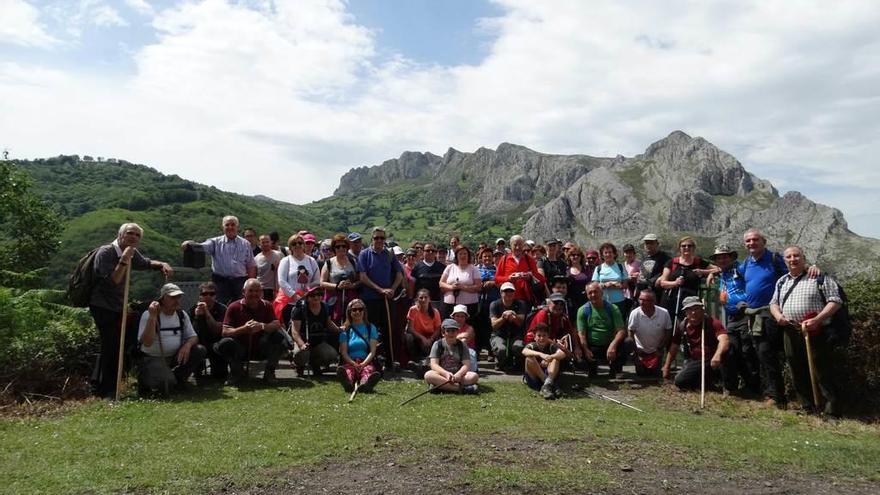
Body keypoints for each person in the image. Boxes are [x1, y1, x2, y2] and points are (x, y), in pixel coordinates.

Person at [88, 223, 173, 399]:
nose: (133, 237)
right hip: (103, 306)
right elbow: (113, 281)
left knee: (121, 344)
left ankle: (109, 383)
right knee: (111, 346)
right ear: (120, 235)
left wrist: (161, 264)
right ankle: (107, 390)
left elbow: (145, 263)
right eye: (129, 233)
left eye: (137, 235)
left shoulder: (132, 252)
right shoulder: (106, 253)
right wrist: (125, 259)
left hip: (118, 306)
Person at [769, 246, 842, 414]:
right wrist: (778, 316)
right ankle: (807, 406)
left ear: (803, 258)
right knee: (796, 367)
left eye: (796, 256)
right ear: (785, 260)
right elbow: (773, 303)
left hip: (815, 330)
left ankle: (831, 409)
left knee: (821, 368)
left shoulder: (819, 277)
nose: (793, 259)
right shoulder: (782, 281)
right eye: (789, 257)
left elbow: (835, 301)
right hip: (791, 329)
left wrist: (818, 319)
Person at [739, 228, 793, 407]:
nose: (751, 243)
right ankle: (773, 392)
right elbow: (735, 275)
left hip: (771, 314)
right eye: (748, 241)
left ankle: (777, 396)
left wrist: (812, 268)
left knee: (767, 353)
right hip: (754, 316)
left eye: (755, 240)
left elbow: (795, 269)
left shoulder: (775, 259)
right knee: (761, 354)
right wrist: (711, 273)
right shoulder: (747, 263)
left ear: (764, 242)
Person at [136, 283, 206, 395]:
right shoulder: (148, 315)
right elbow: (147, 343)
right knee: (167, 382)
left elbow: (193, 337)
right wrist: (153, 318)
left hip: (175, 357)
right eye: (173, 297)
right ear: (162, 299)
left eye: (179, 297)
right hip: (153, 358)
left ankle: (178, 379)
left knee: (199, 350)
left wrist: (187, 345)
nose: (177, 300)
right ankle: (152, 378)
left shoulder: (181, 314)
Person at [216, 279, 285, 385]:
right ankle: (237, 373)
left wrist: (262, 326)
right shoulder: (233, 307)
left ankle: (269, 373)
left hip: (261, 347)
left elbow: (276, 324)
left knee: (278, 337)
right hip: (240, 348)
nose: (254, 294)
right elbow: (224, 332)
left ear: (261, 292)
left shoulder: (267, 305)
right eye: (251, 291)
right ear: (244, 292)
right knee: (225, 343)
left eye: (257, 291)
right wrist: (243, 329)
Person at [711, 244, 759, 395]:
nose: (722, 259)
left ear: (732, 257)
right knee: (730, 349)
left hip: (745, 314)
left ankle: (753, 386)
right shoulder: (723, 273)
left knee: (747, 351)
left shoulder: (741, 269)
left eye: (725, 256)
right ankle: (730, 386)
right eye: (719, 257)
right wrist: (711, 273)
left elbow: (754, 280)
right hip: (731, 317)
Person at [182, 215, 256, 304]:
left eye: (233, 225)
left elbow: (250, 265)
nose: (230, 227)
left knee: (241, 307)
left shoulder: (245, 244)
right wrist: (189, 244)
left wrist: (251, 285)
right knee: (221, 307)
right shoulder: (215, 242)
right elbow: (201, 247)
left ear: (237, 227)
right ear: (223, 227)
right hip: (221, 282)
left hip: (240, 282)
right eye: (227, 225)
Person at [662, 296, 730, 391]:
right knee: (679, 381)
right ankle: (707, 381)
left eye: (696, 309)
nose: (694, 312)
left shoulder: (712, 322)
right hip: (696, 361)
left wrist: (717, 355)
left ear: (702, 310)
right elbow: (674, 346)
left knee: (728, 352)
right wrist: (667, 366)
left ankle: (727, 385)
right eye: (690, 310)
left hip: (713, 359)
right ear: (685, 312)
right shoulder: (683, 326)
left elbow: (724, 340)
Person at [358, 227, 405, 363]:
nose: (379, 240)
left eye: (382, 238)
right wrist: (380, 289)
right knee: (370, 329)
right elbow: (362, 277)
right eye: (376, 238)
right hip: (370, 299)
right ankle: (368, 361)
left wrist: (392, 289)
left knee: (389, 330)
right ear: (371, 239)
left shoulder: (389, 254)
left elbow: (399, 274)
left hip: (387, 299)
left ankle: (390, 360)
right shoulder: (364, 254)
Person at [576, 282, 627, 378]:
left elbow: (621, 331)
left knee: (627, 342)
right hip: (592, 346)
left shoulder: (612, 308)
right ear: (587, 295)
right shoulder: (583, 310)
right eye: (590, 293)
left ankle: (615, 368)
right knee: (578, 341)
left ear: (602, 292)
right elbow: (581, 333)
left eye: (596, 292)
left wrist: (613, 345)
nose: (593, 295)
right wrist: (585, 349)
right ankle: (591, 367)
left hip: (610, 346)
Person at [658, 236, 718, 317]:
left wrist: (705, 272)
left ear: (694, 248)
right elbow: (663, 283)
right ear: (679, 248)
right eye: (683, 246)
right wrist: (675, 283)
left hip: (691, 303)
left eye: (690, 246)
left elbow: (719, 268)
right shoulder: (672, 262)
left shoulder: (698, 262)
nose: (687, 248)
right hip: (670, 301)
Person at [290, 286, 341, 376]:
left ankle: (315, 365)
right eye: (312, 295)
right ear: (307, 296)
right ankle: (299, 367)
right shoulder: (300, 308)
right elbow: (295, 332)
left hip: (318, 342)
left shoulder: (325, 307)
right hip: (302, 341)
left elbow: (329, 323)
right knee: (301, 352)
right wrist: (301, 345)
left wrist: (339, 329)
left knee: (331, 354)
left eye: (319, 294)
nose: (316, 297)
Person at [424, 319, 480, 394]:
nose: (451, 333)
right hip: (442, 375)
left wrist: (459, 374)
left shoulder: (462, 345)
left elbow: (466, 364)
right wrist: (446, 373)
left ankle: (440, 386)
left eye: (453, 331)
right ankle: (460, 389)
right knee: (428, 375)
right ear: (443, 333)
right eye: (448, 331)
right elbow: (434, 364)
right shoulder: (437, 344)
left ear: (457, 332)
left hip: (458, 376)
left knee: (474, 376)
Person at [337, 299, 381, 392]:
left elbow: (373, 351)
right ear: (349, 312)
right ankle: (347, 383)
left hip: (366, 361)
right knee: (348, 371)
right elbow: (343, 352)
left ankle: (365, 384)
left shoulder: (370, 328)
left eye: (360, 309)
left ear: (364, 311)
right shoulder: (345, 330)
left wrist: (363, 364)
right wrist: (353, 363)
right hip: (349, 361)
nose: (357, 312)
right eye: (354, 310)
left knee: (368, 370)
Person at [525, 293, 582, 362]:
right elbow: (543, 337)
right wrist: (564, 350)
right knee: (560, 353)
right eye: (556, 303)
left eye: (561, 303)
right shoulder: (543, 314)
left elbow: (571, 332)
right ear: (549, 304)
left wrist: (577, 348)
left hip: (551, 342)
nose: (559, 306)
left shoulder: (563, 317)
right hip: (537, 341)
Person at [627, 290, 671, 377]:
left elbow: (668, 331)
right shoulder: (635, 313)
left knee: (655, 375)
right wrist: (636, 351)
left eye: (645, 300)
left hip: (656, 350)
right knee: (642, 374)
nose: (641, 302)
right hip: (640, 350)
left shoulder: (664, 313)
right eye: (640, 299)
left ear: (653, 302)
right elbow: (630, 332)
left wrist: (660, 348)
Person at [190, 281, 228, 381]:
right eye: (204, 294)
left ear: (216, 296)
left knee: (219, 376)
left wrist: (207, 313)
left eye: (211, 294)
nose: (208, 297)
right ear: (200, 296)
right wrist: (197, 317)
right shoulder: (193, 309)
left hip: (216, 342)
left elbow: (217, 329)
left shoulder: (222, 309)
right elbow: (190, 332)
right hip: (200, 342)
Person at [320, 233, 361, 324]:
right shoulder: (328, 263)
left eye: (343, 246)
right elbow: (322, 283)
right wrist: (337, 286)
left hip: (351, 301)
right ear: (334, 249)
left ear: (347, 247)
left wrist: (352, 285)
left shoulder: (353, 262)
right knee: (334, 324)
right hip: (333, 302)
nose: (341, 248)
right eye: (338, 246)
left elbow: (360, 280)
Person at [495, 235, 545, 307]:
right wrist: (509, 278)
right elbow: (497, 279)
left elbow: (541, 279)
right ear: (510, 245)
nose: (517, 247)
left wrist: (530, 277)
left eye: (520, 245)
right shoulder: (504, 259)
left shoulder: (529, 259)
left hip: (526, 299)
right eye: (515, 245)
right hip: (508, 299)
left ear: (523, 245)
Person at [489, 282, 528, 372]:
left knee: (518, 346)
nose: (509, 293)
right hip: (499, 334)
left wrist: (514, 317)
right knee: (501, 349)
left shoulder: (521, 304)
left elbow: (521, 323)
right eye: (506, 291)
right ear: (501, 293)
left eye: (511, 291)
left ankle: (517, 364)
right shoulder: (494, 304)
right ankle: (500, 362)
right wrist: (503, 318)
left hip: (516, 334)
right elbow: (494, 326)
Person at [522, 323, 567, 400]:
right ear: (535, 337)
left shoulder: (551, 346)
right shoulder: (532, 345)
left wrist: (550, 357)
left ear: (548, 336)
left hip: (549, 374)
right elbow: (524, 351)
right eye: (539, 336)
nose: (541, 338)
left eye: (544, 335)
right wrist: (541, 354)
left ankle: (546, 385)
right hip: (534, 378)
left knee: (556, 358)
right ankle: (549, 384)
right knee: (529, 358)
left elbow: (562, 354)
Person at [439, 246, 482, 318]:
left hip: (469, 305)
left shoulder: (474, 269)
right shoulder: (450, 267)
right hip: (450, 305)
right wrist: (451, 287)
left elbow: (478, 286)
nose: (463, 256)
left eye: (465, 254)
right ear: (456, 256)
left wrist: (463, 287)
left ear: (468, 255)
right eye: (460, 254)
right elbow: (441, 283)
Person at [591, 242, 630, 317]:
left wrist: (614, 285)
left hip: (619, 301)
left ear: (614, 254)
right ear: (602, 255)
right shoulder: (598, 268)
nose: (608, 254)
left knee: (619, 324)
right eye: (605, 253)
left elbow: (625, 285)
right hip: (603, 302)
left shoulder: (620, 267)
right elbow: (594, 286)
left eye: (610, 252)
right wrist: (605, 285)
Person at [278, 234, 321, 300]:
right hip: (290, 301)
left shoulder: (311, 261)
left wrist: (308, 289)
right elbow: (281, 281)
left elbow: (317, 280)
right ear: (290, 247)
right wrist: (293, 295)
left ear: (303, 245)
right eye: (294, 244)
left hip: (308, 299)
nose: (297, 245)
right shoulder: (285, 261)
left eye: (300, 243)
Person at [405, 289, 442, 366]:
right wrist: (422, 338)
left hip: (431, 337)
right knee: (408, 337)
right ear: (417, 299)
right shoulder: (413, 310)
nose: (423, 300)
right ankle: (414, 359)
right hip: (417, 336)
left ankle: (429, 361)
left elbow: (438, 329)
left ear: (429, 299)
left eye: (426, 297)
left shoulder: (435, 312)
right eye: (421, 297)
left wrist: (430, 339)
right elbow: (410, 329)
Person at [475, 247, 500, 360]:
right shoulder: (476, 269)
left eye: (489, 256)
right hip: (479, 302)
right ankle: (478, 349)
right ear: (481, 258)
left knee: (491, 327)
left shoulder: (498, 269)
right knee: (479, 326)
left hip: (493, 302)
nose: (487, 258)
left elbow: (501, 282)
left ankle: (491, 351)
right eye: (485, 256)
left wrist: (493, 283)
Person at [637, 233, 671, 303]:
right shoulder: (644, 258)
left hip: (657, 294)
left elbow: (671, 271)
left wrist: (662, 277)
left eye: (651, 243)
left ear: (657, 244)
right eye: (646, 243)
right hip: (643, 292)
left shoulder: (665, 257)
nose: (648, 245)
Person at [450, 304, 478, 372]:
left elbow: (466, 337)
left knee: (464, 342)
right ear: (453, 317)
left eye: (462, 316)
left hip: (467, 351)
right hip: (451, 350)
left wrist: (453, 338)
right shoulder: (449, 328)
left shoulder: (470, 328)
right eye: (457, 316)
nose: (460, 318)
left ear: (465, 318)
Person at [255, 234, 282, 301]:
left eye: (267, 242)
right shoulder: (256, 258)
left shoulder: (279, 255)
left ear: (270, 242)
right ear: (259, 243)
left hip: (274, 289)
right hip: (261, 289)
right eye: (263, 242)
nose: (265, 244)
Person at [566, 246, 590, 310]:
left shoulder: (587, 270)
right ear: (569, 257)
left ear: (581, 257)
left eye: (578, 255)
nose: (575, 257)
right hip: (571, 302)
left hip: (585, 301)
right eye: (573, 255)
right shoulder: (566, 271)